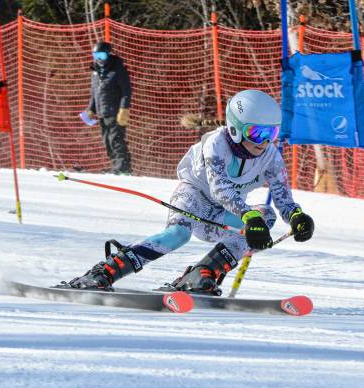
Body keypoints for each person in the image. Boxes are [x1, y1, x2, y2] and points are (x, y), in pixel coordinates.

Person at [65, 89, 315, 295]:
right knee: (178, 234)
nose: (263, 142)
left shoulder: (270, 157)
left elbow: (283, 198)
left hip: (220, 215)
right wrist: (249, 217)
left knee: (266, 216)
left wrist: (296, 217)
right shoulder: (216, 144)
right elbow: (221, 189)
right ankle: (104, 272)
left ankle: (202, 273)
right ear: (236, 129)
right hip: (193, 198)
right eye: (256, 133)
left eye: (270, 133)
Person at [85, 41, 132, 175]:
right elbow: (95, 93)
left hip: (115, 112)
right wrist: (91, 109)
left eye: (102, 55)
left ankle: (123, 168)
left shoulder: (117, 69)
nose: (99, 59)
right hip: (102, 112)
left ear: (108, 55)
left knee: (116, 140)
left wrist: (124, 109)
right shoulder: (95, 72)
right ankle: (116, 166)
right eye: (96, 55)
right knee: (107, 142)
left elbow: (126, 91)